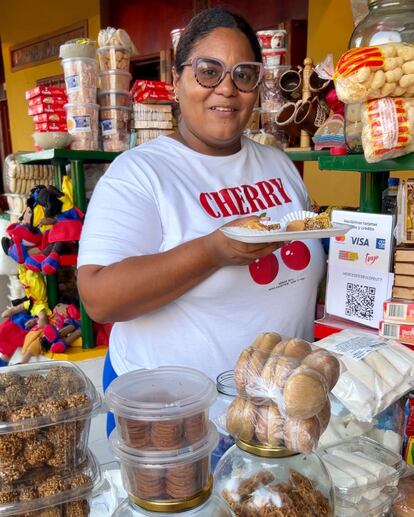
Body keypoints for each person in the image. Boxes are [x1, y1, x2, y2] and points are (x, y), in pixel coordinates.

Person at [77, 7, 325, 436]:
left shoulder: (279, 165)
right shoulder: (139, 173)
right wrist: (213, 251)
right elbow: (99, 297)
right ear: (177, 81)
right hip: (181, 425)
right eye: (208, 71)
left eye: (243, 75)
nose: (226, 89)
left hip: (278, 417)